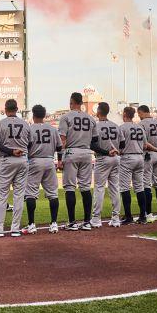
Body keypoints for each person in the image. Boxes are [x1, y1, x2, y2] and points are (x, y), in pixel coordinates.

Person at [0, 99, 29, 236]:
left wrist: (11, 151)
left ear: (6, 109)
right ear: (17, 109)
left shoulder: (1, 123)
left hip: (7, 160)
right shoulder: (25, 124)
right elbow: (30, 144)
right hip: (23, 160)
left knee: (1, 195)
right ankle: (15, 229)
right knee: (19, 195)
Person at [58, 94, 96, 231]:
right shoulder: (91, 118)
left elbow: (62, 140)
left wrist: (59, 159)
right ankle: (87, 221)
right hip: (86, 153)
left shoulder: (66, 117)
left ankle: (72, 222)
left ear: (72, 102)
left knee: (70, 187)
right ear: (81, 103)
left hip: (71, 152)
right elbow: (95, 140)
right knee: (85, 187)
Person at [25, 104, 61, 233]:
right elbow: (59, 147)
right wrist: (60, 160)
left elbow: (26, 147)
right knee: (53, 194)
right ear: (44, 115)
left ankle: (31, 224)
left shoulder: (29, 128)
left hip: (34, 161)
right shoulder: (52, 129)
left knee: (31, 194)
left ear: (33, 115)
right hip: (49, 161)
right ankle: (54, 223)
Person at [91, 102, 122, 227]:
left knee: (99, 188)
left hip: (103, 158)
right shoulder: (116, 126)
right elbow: (123, 145)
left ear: (98, 112)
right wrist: (114, 150)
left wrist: (107, 152)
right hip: (116, 158)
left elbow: (93, 145)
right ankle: (115, 218)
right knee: (115, 188)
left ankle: (96, 219)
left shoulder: (96, 126)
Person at [117, 106, 148, 224]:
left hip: (127, 157)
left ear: (125, 114)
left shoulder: (122, 127)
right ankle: (142, 216)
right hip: (140, 157)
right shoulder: (140, 127)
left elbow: (120, 146)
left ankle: (128, 216)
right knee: (139, 187)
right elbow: (145, 145)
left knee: (124, 188)